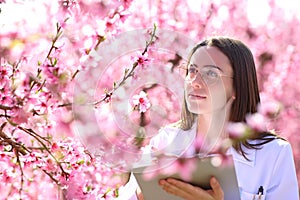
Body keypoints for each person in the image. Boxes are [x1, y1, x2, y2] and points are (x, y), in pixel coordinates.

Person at [122, 36, 299, 200]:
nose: (195, 81)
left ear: (237, 86)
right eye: (192, 70)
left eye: (211, 74)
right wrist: (142, 193)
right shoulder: (165, 141)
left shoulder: (273, 153)